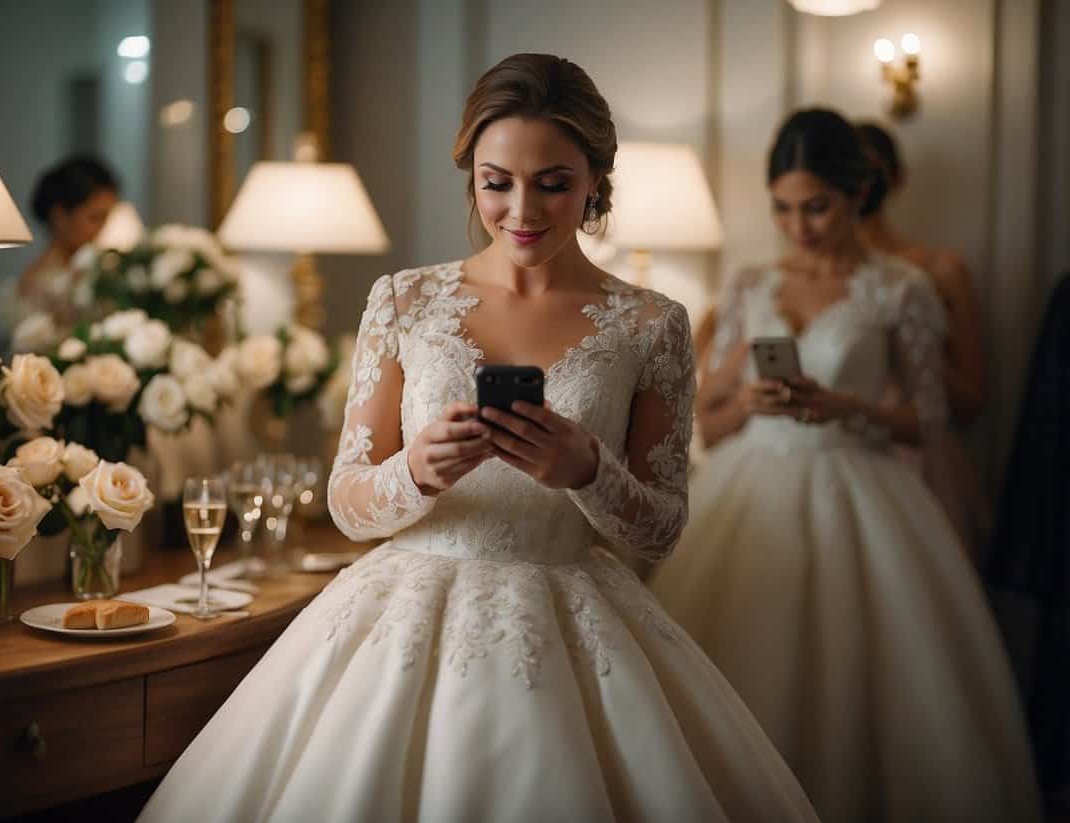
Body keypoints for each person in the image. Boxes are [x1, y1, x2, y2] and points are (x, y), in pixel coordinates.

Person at [138, 54, 819, 823]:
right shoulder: (403, 298)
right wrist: (417, 469)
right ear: (473, 178)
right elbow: (348, 504)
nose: (522, 209)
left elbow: (662, 528)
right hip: (400, 614)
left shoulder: (651, 324)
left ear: (596, 179)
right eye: (497, 182)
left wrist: (587, 469)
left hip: (575, 621)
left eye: (553, 182)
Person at [650, 108, 1040, 823]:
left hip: (861, 485)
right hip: (752, 485)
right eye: (783, 208)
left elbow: (927, 418)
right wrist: (757, 406)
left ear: (858, 195)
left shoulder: (901, 289)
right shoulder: (751, 286)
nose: (799, 226)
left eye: (817, 207)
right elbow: (708, 418)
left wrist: (840, 406)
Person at [856, 121, 991, 556]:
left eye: (869, 176)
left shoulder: (939, 270)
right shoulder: (794, 279)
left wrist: (916, 350)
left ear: (895, 180)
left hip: (916, 461)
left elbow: (971, 401)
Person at [16, 155, 119, 326]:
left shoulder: (103, 269)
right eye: (95, 218)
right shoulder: (35, 284)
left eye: (106, 218)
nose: (102, 228)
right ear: (60, 216)